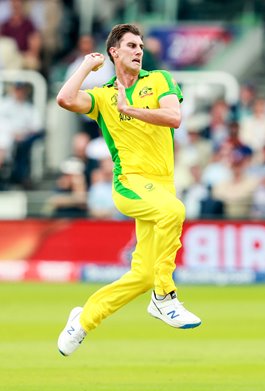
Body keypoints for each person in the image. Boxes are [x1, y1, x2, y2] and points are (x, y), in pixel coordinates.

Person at [56, 23, 201, 357]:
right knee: (175, 211)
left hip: (162, 184)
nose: (139, 51)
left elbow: (174, 117)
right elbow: (65, 98)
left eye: (141, 46)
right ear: (114, 53)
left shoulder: (159, 79)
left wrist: (131, 110)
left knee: (143, 274)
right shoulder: (104, 96)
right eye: (132, 46)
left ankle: (83, 320)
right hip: (130, 184)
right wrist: (84, 67)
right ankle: (165, 297)